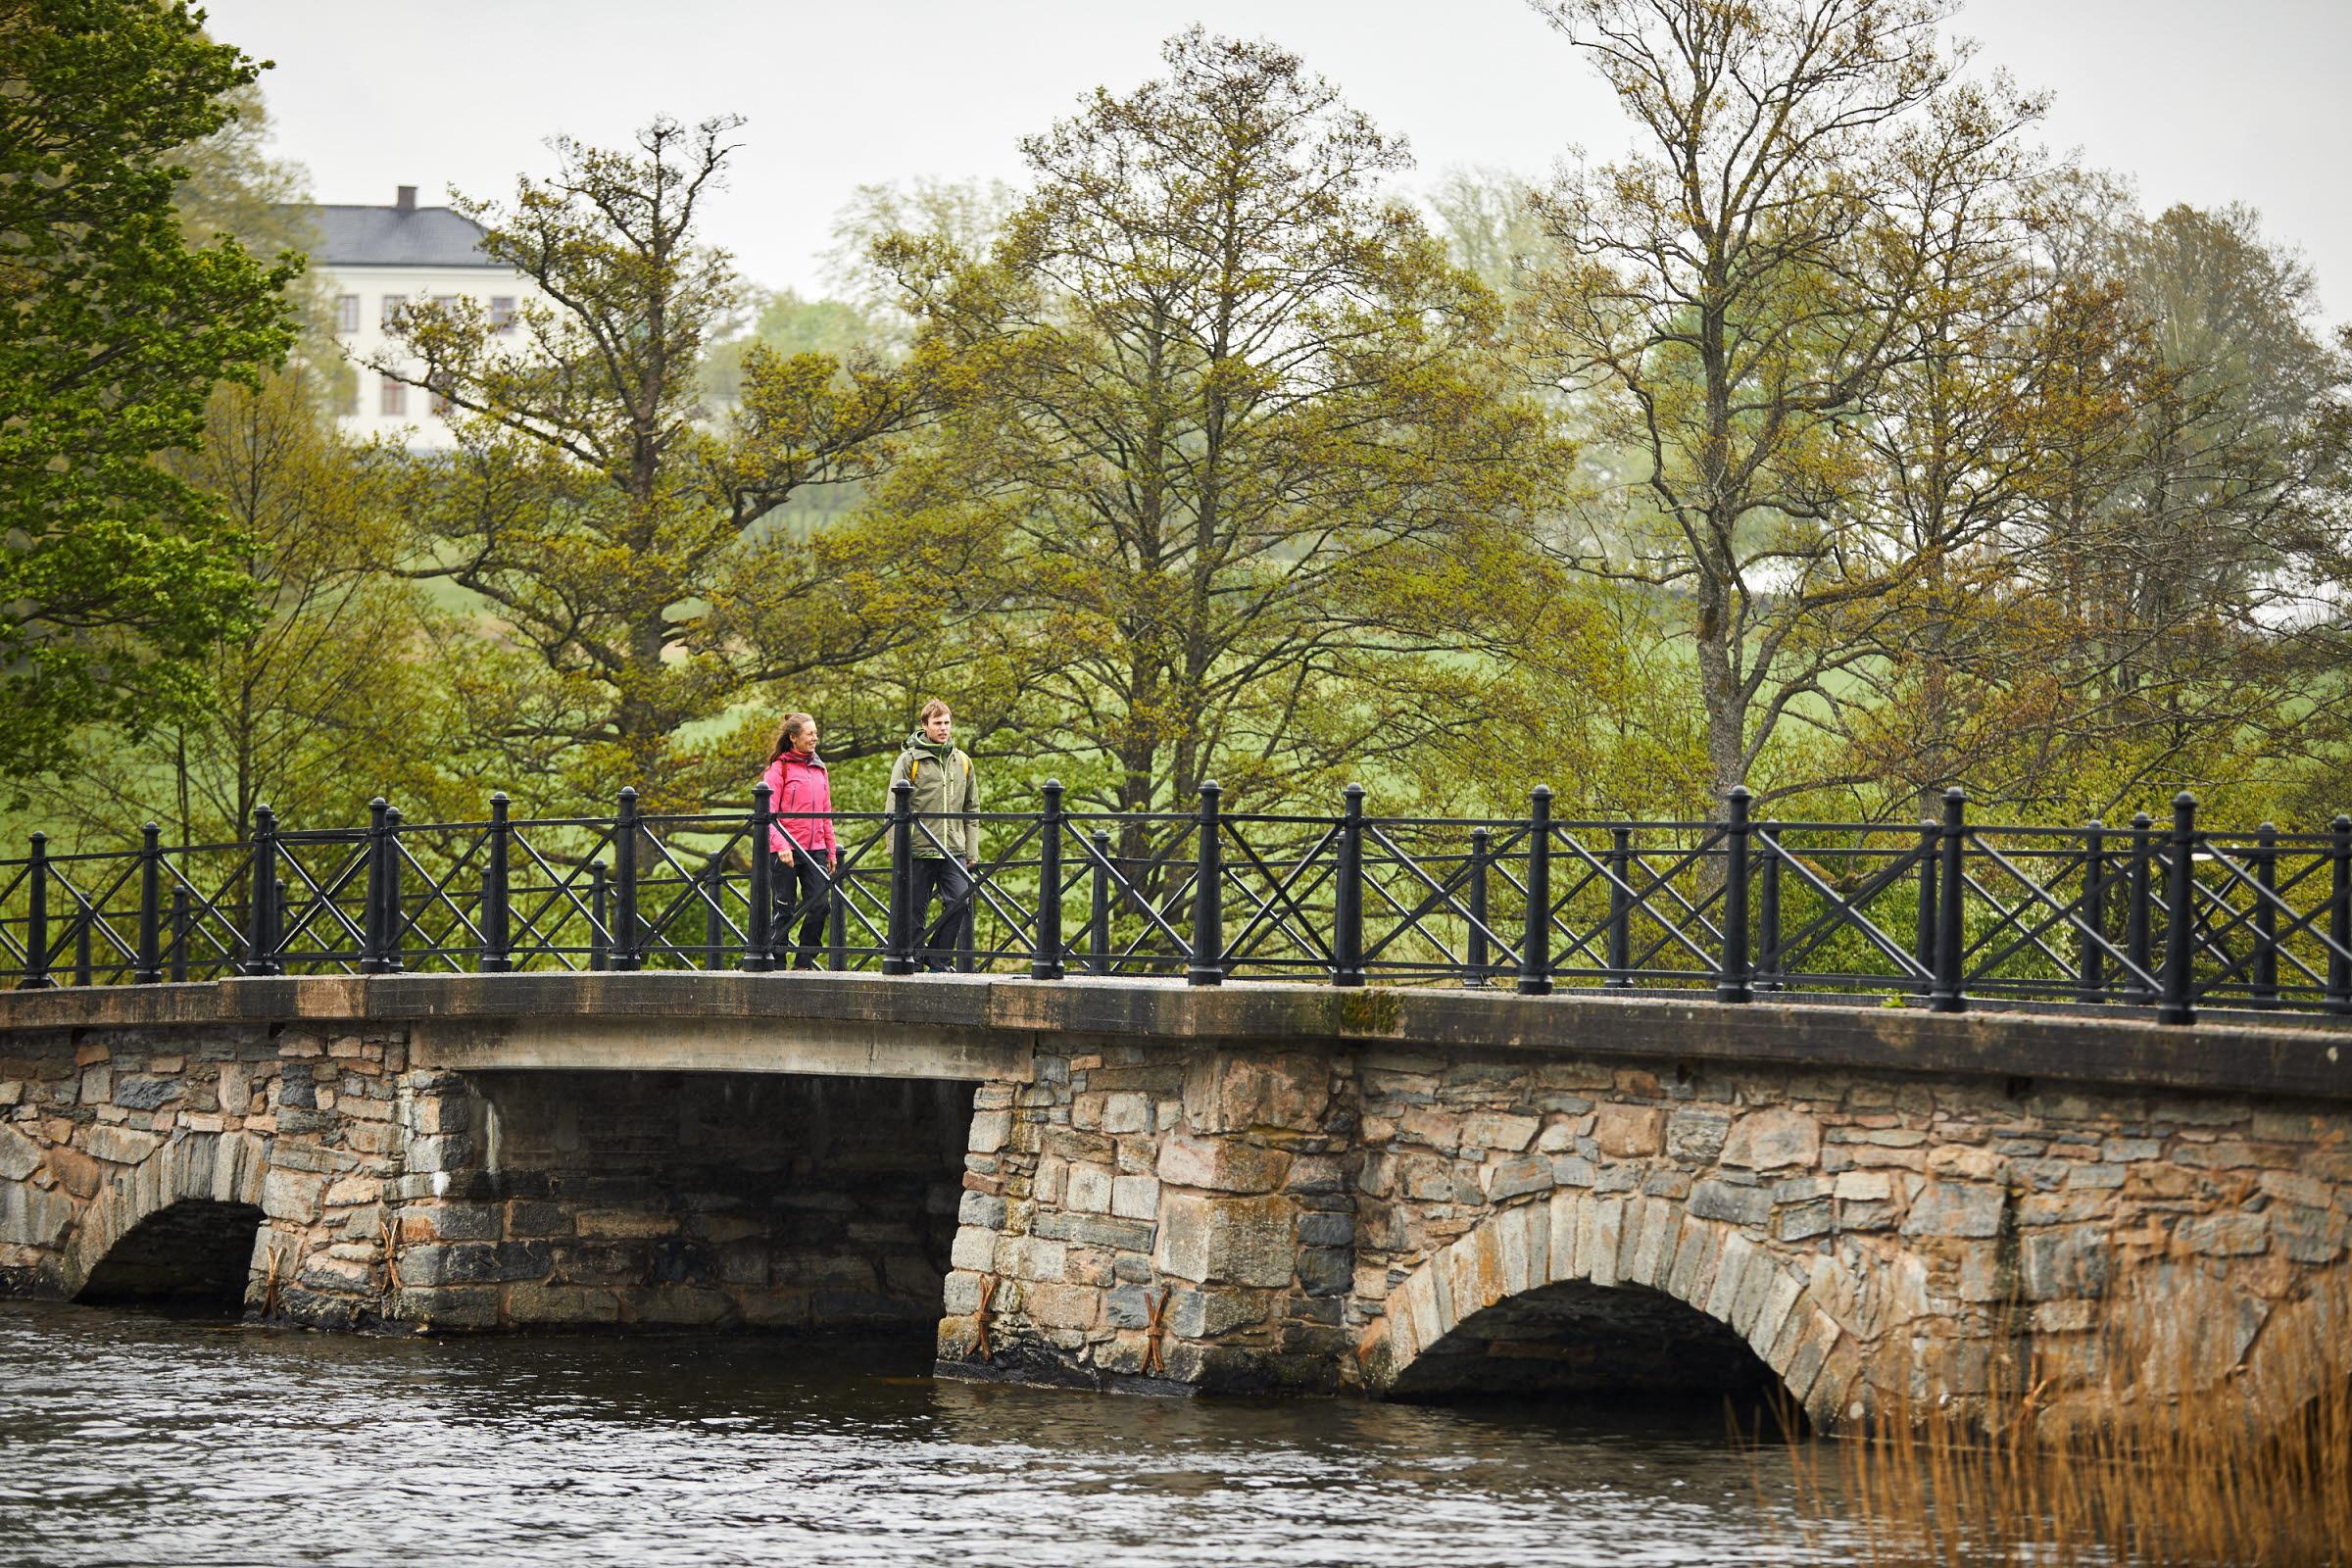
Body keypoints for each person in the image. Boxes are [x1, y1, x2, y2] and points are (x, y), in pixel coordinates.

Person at [889, 699, 981, 972]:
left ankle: (938, 957)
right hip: (918, 848)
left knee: (960, 901)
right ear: (924, 726)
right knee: (915, 910)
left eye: (947, 723)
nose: (943, 728)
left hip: (954, 848)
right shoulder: (908, 760)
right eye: (937, 723)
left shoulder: (962, 761)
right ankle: (913, 961)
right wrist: (896, 848)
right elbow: (893, 807)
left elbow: (971, 807)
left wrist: (972, 849)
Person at [760, 711, 838, 970]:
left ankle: (804, 961)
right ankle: (778, 961)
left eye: (816, 732)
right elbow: (768, 813)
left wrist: (831, 850)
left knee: (820, 906)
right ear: (793, 738)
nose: (815, 737)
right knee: (784, 907)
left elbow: (826, 812)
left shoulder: (820, 767)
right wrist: (781, 845)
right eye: (810, 733)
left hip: (815, 848)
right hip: (786, 849)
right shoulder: (778, 768)